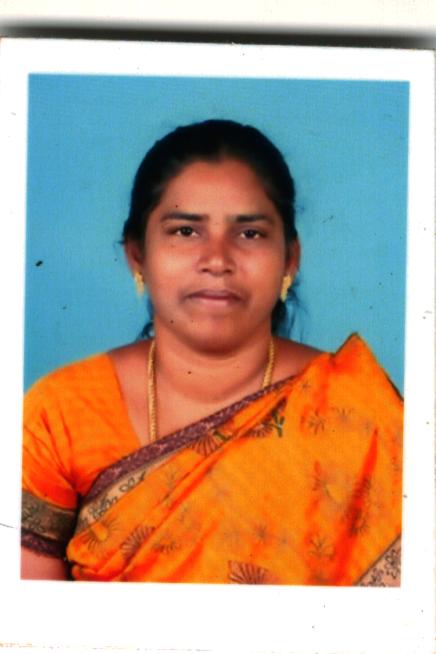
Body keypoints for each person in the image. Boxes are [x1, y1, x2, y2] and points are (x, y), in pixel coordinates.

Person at [21, 119, 402, 584]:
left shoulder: (359, 416)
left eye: (250, 233)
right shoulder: (59, 414)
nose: (217, 260)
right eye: (185, 231)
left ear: (290, 258)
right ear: (138, 254)